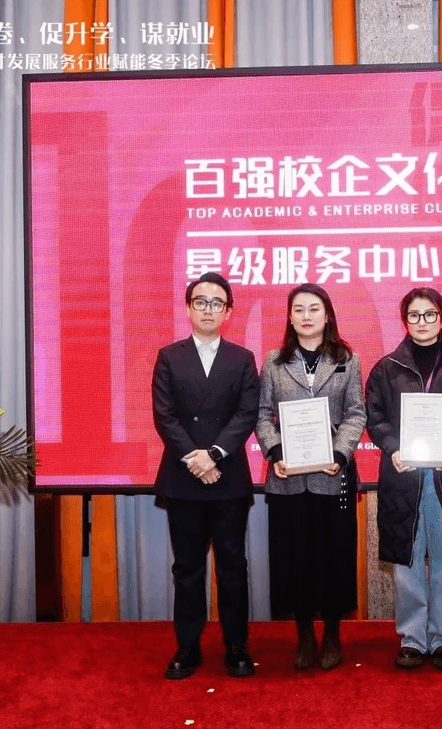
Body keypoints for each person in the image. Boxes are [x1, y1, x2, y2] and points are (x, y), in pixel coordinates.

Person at [365, 287, 442, 671]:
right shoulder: (387, 367)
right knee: (406, 561)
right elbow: (374, 416)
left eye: (430, 314)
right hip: (404, 477)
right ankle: (412, 639)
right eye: (414, 315)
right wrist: (392, 447)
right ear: (405, 320)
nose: (422, 322)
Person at [152, 272, 260, 680]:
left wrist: (213, 455)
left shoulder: (242, 358)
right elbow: (164, 415)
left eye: (217, 303)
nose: (208, 309)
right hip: (183, 478)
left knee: (232, 566)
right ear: (188, 308)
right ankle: (187, 647)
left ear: (228, 312)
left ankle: (237, 646)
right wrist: (195, 459)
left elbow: (246, 414)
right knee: (188, 568)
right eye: (201, 302)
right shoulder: (169, 356)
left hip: (227, 477)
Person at [255, 284, 366, 671]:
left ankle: (332, 635)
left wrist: (339, 452)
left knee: (335, 558)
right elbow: (262, 414)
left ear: (327, 315)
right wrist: (275, 452)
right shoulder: (274, 361)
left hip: (332, 475)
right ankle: (304, 636)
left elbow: (356, 413)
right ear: (289, 317)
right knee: (294, 560)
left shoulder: (347, 360)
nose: (306, 316)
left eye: (314, 308)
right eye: (298, 309)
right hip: (287, 477)